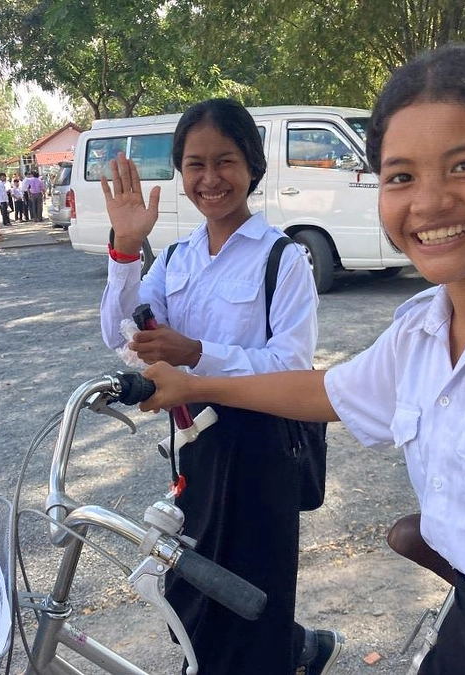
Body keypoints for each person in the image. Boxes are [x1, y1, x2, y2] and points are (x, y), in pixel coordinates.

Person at [139, 44, 465, 675]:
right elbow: (330, 392)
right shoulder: (423, 330)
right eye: (401, 177)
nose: (427, 203)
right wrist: (192, 386)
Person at [100, 98, 343, 675]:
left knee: (256, 587)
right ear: (181, 173)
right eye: (194, 164)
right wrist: (127, 249)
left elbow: (290, 365)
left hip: (261, 448)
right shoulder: (177, 258)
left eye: (225, 161)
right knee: (193, 581)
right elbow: (120, 338)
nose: (210, 179)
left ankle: (282, 654)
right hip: (195, 443)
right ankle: (294, 650)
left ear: (252, 167)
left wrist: (197, 355)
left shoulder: (284, 259)